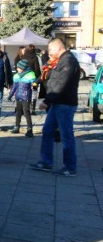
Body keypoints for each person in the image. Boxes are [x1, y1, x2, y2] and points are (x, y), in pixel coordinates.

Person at [29, 38, 80, 176]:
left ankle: (70, 167)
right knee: (47, 130)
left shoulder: (68, 61)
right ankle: (46, 162)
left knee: (66, 135)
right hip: (57, 103)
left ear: (58, 48)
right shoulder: (60, 61)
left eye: (51, 49)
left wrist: (47, 101)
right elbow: (50, 77)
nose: (49, 52)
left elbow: (61, 84)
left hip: (65, 104)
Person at [7, 59, 37, 137]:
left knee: (26, 112)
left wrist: (34, 87)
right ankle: (17, 126)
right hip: (18, 97)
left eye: (19, 68)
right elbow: (14, 87)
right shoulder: (16, 76)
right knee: (18, 112)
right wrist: (10, 95)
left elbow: (34, 84)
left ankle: (29, 129)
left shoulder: (30, 75)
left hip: (26, 97)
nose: (17, 69)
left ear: (23, 68)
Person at [23, 44, 42, 114]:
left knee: (26, 92)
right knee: (34, 93)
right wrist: (39, 77)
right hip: (34, 79)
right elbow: (37, 68)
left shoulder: (24, 57)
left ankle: (26, 108)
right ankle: (33, 109)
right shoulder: (35, 57)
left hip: (25, 78)